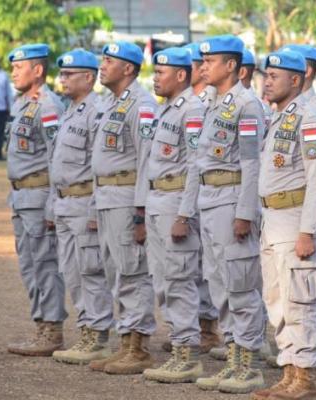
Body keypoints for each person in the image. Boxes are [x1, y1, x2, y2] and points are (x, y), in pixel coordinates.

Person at [251, 49, 316, 400]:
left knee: (300, 303)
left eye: (275, 76)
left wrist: (308, 231)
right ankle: (289, 372)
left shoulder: (309, 117)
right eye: (266, 75)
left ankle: (305, 378)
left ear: (296, 80)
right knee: (278, 302)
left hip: (297, 221)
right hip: (274, 221)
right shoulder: (279, 116)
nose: (267, 81)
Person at [193, 34, 265, 394]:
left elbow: (252, 163)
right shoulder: (210, 101)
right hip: (209, 198)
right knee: (219, 283)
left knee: (241, 284)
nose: (203, 66)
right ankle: (233, 360)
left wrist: (245, 212)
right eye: (202, 61)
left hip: (232, 198)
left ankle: (249, 365)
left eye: (210, 61)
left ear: (232, 66)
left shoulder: (247, 104)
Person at [88, 41, 157, 375]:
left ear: (128, 68)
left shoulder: (142, 104)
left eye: (108, 60)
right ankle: (126, 342)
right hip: (106, 196)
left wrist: (140, 212)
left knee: (133, 271)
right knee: (116, 272)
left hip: (126, 196)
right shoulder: (112, 102)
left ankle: (139, 348)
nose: (102, 65)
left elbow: (146, 161)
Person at [141, 47, 205, 383]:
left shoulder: (191, 110)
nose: (155, 78)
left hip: (175, 203)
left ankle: (188, 355)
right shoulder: (165, 110)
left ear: (181, 75)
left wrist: (184, 213)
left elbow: (196, 165)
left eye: (160, 72)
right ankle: (179, 348)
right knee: (163, 280)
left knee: (179, 280)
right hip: (157, 201)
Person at [49, 49, 114, 365]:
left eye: (69, 74)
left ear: (89, 77)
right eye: (61, 74)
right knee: (72, 272)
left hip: (84, 202)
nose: (63, 79)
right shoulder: (69, 110)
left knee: (91, 271)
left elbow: (99, 166)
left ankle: (98, 334)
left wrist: (93, 210)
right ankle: (87, 330)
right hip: (64, 203)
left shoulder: (96, 111)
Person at [5, 43, 67, 357]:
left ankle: (53, 329)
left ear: (38, 70)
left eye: (19, 66)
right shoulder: (21, 104)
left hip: (39, 194)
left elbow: (58, 156)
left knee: (45, 264)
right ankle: (41, 325)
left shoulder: (49, 105)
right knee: (29, 266)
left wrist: (53, 203)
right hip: (19, 195)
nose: (14, 72)